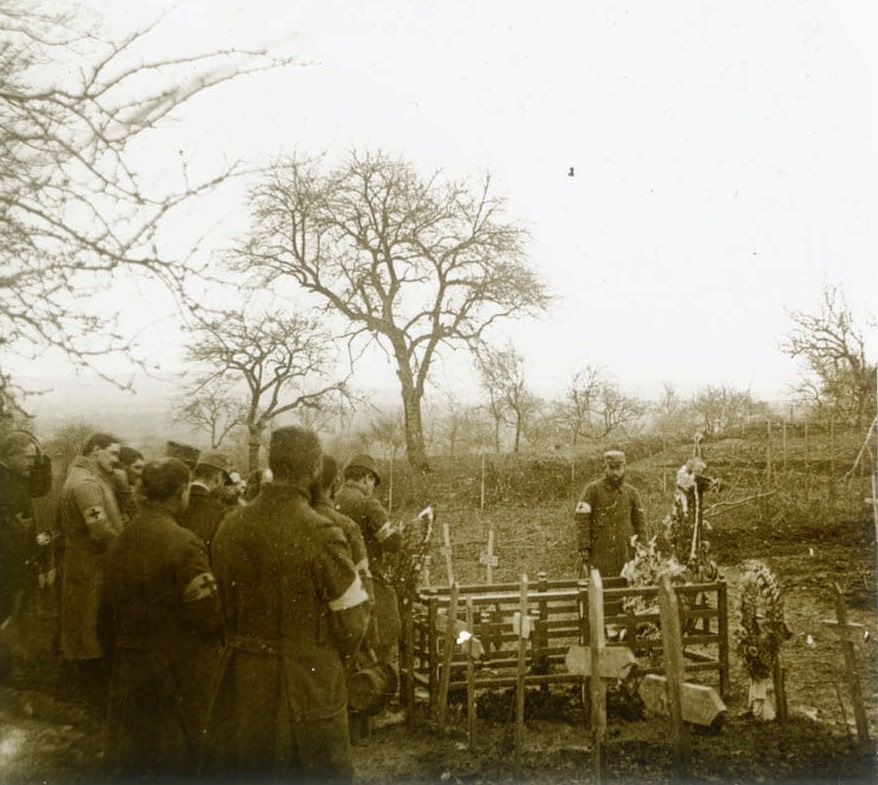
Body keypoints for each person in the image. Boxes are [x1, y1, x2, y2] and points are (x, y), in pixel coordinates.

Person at [202, 426, 370, 783]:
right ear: (313, 468)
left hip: (241, 684)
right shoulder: (322, 532)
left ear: (272, 464)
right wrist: (325, 661)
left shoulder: (230, 525)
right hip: (305, 689)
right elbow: (355, 622)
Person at [104, 458, 222, 780]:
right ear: (181, 492)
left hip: (129, 668)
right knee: (180, 760)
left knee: (134, 762)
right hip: (177, 672)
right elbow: (208, 614)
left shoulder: (120, 540)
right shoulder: (184, 543)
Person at [57, 432, 125, 713]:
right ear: (95, 451)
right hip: (90, 568)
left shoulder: (89, 478)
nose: (116, 460)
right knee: (89, 630)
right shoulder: (86, 483)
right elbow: (100, 531)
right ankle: (93, 703)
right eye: (113, 453)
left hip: (91, 566)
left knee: (89, 629)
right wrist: (129, 550)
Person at [334, 454, 403, 668]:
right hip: (369, 577)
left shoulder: (333, 498)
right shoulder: (367, 504)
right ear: (366, 478)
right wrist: (399, 533)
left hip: (337, 579)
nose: (372, 487)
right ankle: (372, 683)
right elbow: (391, 541)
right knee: (388, 625)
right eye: (373, 481)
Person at [0, 430, 52, 680]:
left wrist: (41, 456)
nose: (32, 463)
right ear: (10, 455)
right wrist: (14, 527)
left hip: (15, 557)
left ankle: (6, 667)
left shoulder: (16, 476)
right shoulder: (5, 479)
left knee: (10, 611)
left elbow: (42, 487)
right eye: (28, 458)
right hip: (5, 557)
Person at [574, 449, 646, 579]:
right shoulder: (592, 490)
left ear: (624, 468)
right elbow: (582, 519)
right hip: (599, 552)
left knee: (625, 587)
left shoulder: (632, 493)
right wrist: (584, 547)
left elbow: (641, 524)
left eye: (618, 468)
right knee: (599, 589)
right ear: (605, 468)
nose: (615, 472)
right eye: (611, 468)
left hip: (625, 552)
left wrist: (643, 548)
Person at [178, 449, 233, 559]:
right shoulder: (220, 511)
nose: (223, 486)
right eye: (224, 482)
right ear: (218, 478)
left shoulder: (173, 501)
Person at [113, 446, 144, 522]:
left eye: (143, 468)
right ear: (123, 467)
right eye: (137, 467)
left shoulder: (133, 492)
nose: (141, 473)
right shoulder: (112, 493)